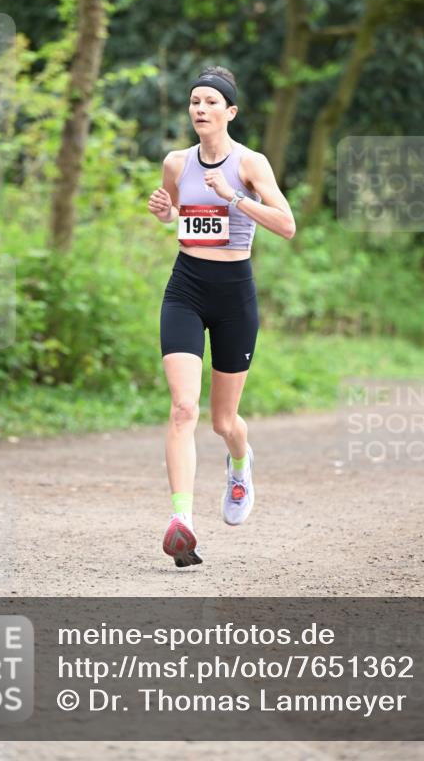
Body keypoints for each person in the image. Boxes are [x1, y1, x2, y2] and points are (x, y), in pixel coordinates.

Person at [147, 66, 296, 567]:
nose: (200, 109)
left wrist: (235, 198)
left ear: (230, 112)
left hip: (235, 296)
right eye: (194, 101)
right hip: (185, 288)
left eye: (211, 101)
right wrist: (163, 210)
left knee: (222, 421)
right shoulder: (176, 162)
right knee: (183, 409)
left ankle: (239, 463)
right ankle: (182, 522)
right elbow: (175, 211)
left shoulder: (251, 164)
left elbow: (288, 225)